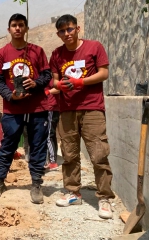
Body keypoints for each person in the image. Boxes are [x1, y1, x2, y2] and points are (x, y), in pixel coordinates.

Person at [49, 14, 115, 219]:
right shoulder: (57, 54)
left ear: (77, 29)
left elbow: (104, 73)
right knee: (69, 154)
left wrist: (80, 82)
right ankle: (72, 192)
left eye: (69, 29)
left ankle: (104, 198)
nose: (66, 34)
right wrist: (59, 86)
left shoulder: (94, 47)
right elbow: (54, 81)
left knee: (98, 154)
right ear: (58, 34)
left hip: (92, 108)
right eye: (62, 31)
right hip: (67, 109)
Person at [0, 13, 53, 204]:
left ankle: (36, 184)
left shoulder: (37, 51)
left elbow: (47, 74)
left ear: (26, 28)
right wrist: (10, 96)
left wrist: (36, 83)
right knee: (8, 145)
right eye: (14, 25)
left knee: (37, 146)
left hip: (37, 107)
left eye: (21, 25)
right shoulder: (2, 54)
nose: (17, 28)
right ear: (9, 29)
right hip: (12, 109)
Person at [45, 84, 60, 171]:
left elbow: (58, 89)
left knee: (49, 136)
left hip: (52, 108)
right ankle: (52, 160)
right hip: (51, 108)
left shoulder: (53, 77)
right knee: (52, 135)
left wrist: (47, 92)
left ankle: (53, 162)